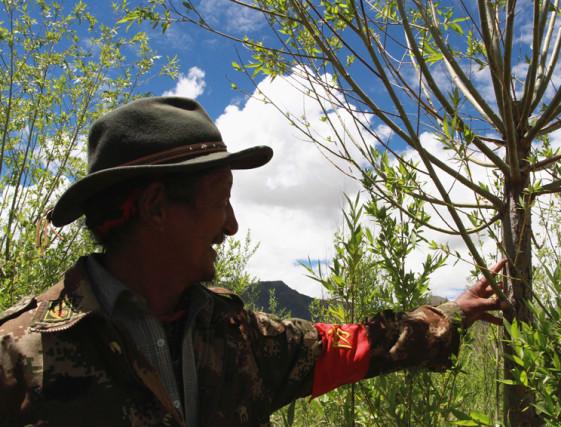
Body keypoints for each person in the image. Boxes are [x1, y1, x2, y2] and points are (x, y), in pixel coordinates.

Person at [0, 97, 507, 426]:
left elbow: (354, 346)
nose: (232, 226)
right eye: (222, 199)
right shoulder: (19, 356)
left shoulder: (239, 336)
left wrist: (454, 313)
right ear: (156, 207)